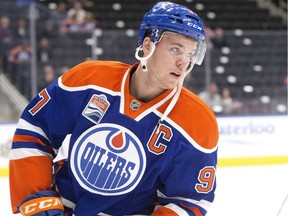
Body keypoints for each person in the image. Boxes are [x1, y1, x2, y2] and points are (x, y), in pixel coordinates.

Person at [9, 2, 219, 216]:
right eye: (176, 49)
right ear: (148, 45)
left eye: (191, 54)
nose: (183, 63)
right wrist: (37, 200)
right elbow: (35, 130)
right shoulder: (89, 80)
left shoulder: (198, 122)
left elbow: (188, 200)